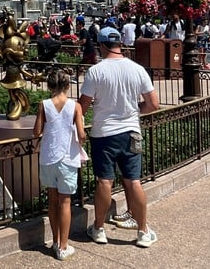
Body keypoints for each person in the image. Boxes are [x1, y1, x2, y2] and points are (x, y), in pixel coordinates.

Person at [79, 26, 160, 248]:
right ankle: (143, 231)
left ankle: (99, 229)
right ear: (119, 44)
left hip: (104, 134)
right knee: (133, 180)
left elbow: (83, 106)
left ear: (102, 45)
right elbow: (153, 104)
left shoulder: (96, 71)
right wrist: (134, 111)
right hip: (131, 131)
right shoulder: (137, 69)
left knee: (104, 181)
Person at [32, 69, 86, 260]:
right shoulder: (75, 106)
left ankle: (55, 241)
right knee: (65, 202)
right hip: (67, 157)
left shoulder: (44, 104)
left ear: (50, 86)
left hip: (48, 156)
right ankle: (64, 246)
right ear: (67, 85)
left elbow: (36, 131)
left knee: (52, 200)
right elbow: (81, 134)